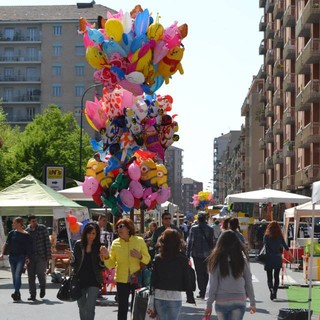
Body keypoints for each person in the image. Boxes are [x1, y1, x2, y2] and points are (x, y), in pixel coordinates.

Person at [100, 218, 150, 320]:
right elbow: (111, 264)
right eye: (117, 227)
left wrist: (140, 256)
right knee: (122, 307)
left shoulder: (139, 241)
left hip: (137, 278)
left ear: (129, 228)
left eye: (121, 226)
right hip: (121, 279)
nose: (119, 229)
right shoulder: (115, 243)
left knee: (136, 306)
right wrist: (106, 257)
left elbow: (147, 259)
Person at [204, 230, 256, 320]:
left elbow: (213, 284)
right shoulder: (242, 259)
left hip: (221, 300)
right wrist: (252, 302)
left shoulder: (216, 260)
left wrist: (209, 304)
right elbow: (248, 281)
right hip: (239, 299)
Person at [149, 228, 194, 320]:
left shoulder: (158, 259)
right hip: (175, 296)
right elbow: (187, 279)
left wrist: (150, 295)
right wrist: (190, 296)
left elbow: (153, 279)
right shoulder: (183, 260)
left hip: (159, 295)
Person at [69, 222, 105, 320]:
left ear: (97, 234)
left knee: (90, 306)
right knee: (82, 306)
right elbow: (74, 264)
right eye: (89, 233)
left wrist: (102, 260)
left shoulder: (100, 247)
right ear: (85, 233)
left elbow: (102, 267)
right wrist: (71, 259)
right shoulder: (78, 245)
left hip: (94, 279)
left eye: (93, 233)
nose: (91, 236)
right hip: (80, 279)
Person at [0, 217, 33, 302]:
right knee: (14, 276)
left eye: (14, 223)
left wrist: (28, 258)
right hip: (12, 257)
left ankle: (16, 292)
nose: (13, 224)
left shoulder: (26, 235)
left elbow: (29, 248)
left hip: (21, 257)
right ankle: (17, 294)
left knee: (17, 275)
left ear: (19, 224)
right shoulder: (12, 233)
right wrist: (2, 253)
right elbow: (6, 244)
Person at [186, 212, 214, 299]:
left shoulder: (193, 229)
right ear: (205, 219)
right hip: (208, 254)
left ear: (198, 219)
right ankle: (206, 290)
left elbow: (190, 242)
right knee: (206, 273)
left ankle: (202, 291)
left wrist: (187, 255)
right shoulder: (210, 229)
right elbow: (212, 243)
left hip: (196, 254)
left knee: (199, 273)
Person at [263, 220, 294, 301]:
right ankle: (275, 292)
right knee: (276, 276)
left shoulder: (266, 236)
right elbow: (286, 247)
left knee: (269, 277)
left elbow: (265, 246)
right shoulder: (280, 237)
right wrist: (291, 256)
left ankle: (271, 289)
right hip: (277, 258)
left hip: (269, 258)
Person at [25, 215, 52, 301]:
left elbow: (47, 242)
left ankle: (42, 287)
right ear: (29, 222)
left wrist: (48, 255)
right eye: (33, 221)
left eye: (36, 221)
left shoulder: (42, 228)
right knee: (31, 276)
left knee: (40, 273)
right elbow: (25, 246)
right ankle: (32, 294)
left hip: (41, 255)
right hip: (30, 256)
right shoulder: (26, 231)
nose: (35, 223)